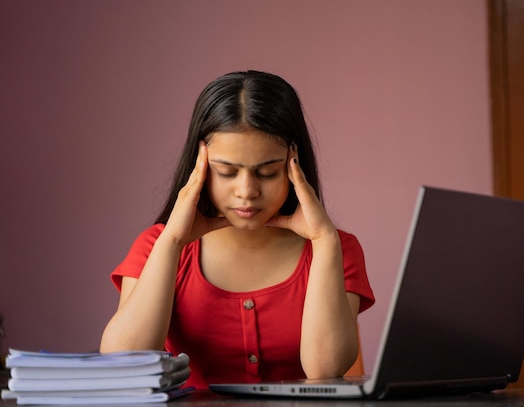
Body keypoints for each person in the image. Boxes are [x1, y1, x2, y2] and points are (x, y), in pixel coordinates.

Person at [100, 70, 375, 389]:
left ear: (294, 165)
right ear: (199, 166)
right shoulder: (157, 246)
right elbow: (124, 361)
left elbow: (325, 369)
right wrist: (172, 240)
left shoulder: (335, 247)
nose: (246, 191)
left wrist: (324, 240)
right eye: (227, 172)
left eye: (268, 173)